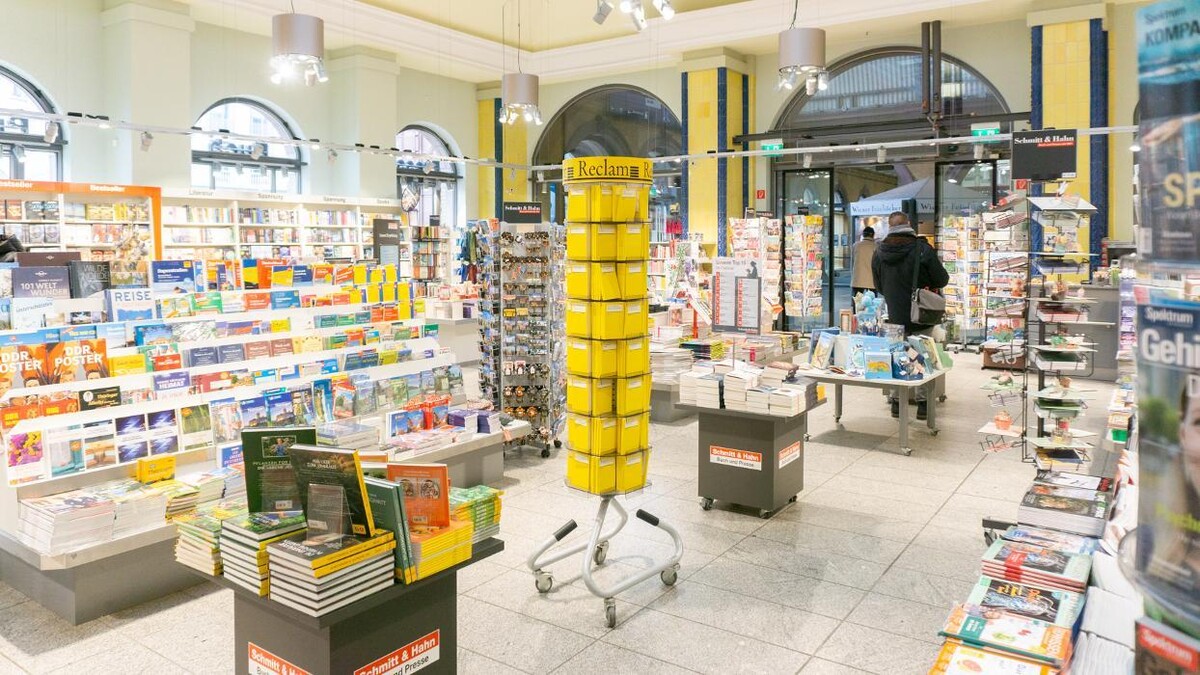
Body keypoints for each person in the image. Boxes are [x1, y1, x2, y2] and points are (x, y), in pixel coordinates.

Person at [871, 211, 949, 420]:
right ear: (909, 225)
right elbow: (942, 279)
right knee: (922, 356)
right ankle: (923, 405)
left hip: (894, 315)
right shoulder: (922, 249)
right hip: (920, 316)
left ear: (890, 226)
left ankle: (897, 401)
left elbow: (878, 285)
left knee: (898, 356)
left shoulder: (879, 251)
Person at [850, 226, 877, 299]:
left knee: (857, 302)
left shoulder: (856, 245)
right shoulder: (876, 246)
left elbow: (853, 260)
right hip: (872, 279)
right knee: (872, 304)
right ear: (873, 235)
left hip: (858, 278)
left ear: (863, 235)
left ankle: (856, 311)